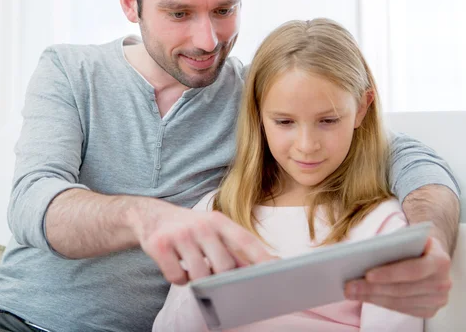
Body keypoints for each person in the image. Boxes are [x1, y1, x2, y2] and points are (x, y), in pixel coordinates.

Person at [0, 0, 459, 332]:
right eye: (180, 13)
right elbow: (34, 202)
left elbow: (398, 151)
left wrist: (426, 238)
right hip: (1, 318)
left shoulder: (259, 99)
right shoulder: (70, 70)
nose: (208, 39)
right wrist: (147, 216)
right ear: (131, 2)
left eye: (225, 9)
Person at [153, 18, 424, 331]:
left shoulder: (383, 227)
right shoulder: (216, 214)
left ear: (362, 108)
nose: (307, 146)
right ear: (258, 114)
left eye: (328, 120)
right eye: (284, 122)